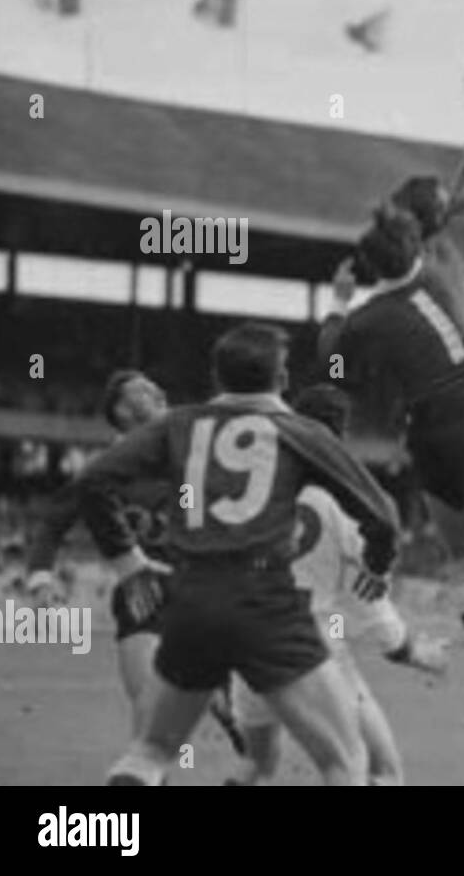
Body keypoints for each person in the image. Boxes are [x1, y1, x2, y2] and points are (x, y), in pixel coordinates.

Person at [317, 85, 464, 758]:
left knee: (463, 562)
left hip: (433, 429)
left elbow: (332, 366)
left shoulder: (371, 315)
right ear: (426, 229)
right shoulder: (456, 252)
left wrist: (340, 301)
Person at [81, 323, 402, 785]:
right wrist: (377, 561)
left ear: (217, 375)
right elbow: (383, 515)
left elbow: (94, 481)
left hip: (189, 601)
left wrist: (128, 563)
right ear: (283, 379)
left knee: (151, 750)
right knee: (345, 760)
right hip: (265, 600)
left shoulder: (178, 425)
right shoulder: (300, 431)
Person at [225, 384, 449, 786]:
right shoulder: (348, 503)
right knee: (377, 769)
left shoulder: (249, 491)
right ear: (340, 435)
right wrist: (413, 651)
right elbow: (369, 597)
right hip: (310, 647)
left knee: (256, 766)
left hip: (247, 641)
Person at [24, 370, 245, 753]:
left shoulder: (193, 458)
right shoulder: (104, 470)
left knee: (213, 698)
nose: (158, 389)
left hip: (198, 592)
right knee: (150, 715)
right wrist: (41, 579)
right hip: (141, 595)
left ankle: (222, 702)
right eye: (143, 390)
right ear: (123, 411)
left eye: (155, 385)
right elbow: (53, 522)